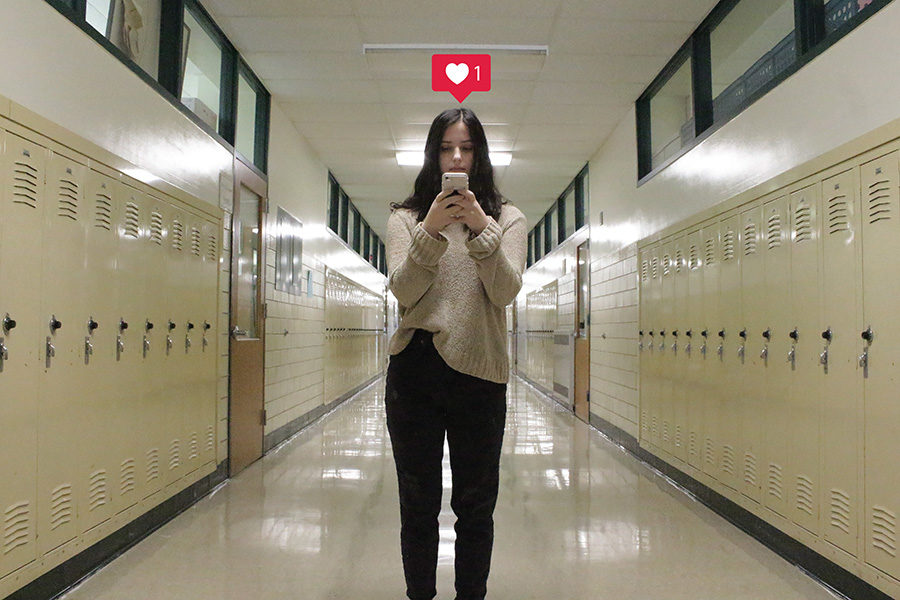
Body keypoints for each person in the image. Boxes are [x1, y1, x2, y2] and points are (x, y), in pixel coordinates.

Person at [384, 107, 527, 600]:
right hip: (415, 372)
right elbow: (403, 291)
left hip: (481, 375)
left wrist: (482, 231)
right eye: (447, 147)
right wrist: (430, 232)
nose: (457, 157)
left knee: (476, 505)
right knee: (417, 504)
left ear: (480, 155)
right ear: (434, 154)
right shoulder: (405, 219)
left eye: (466, 148)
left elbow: (506, 292)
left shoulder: (507, 219)